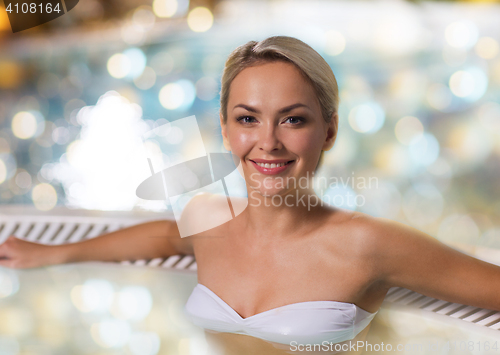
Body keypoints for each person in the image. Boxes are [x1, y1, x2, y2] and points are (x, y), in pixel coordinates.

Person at [1, 36, 500, 354]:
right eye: (247, 118)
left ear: (328, 131)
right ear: (224, 130)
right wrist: (53, 252)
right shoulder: (207, 219)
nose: (268, 142)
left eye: (293, 119)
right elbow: (161, 237)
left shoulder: (367, 244)